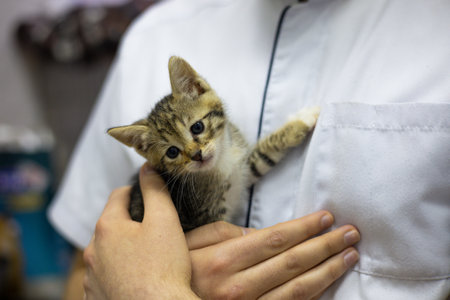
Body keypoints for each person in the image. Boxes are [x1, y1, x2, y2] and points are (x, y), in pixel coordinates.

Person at [48, 0, 450, 299]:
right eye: (175, 153)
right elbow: (85, 266)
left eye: (198, 130)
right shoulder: (151, 37)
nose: (196, 151)